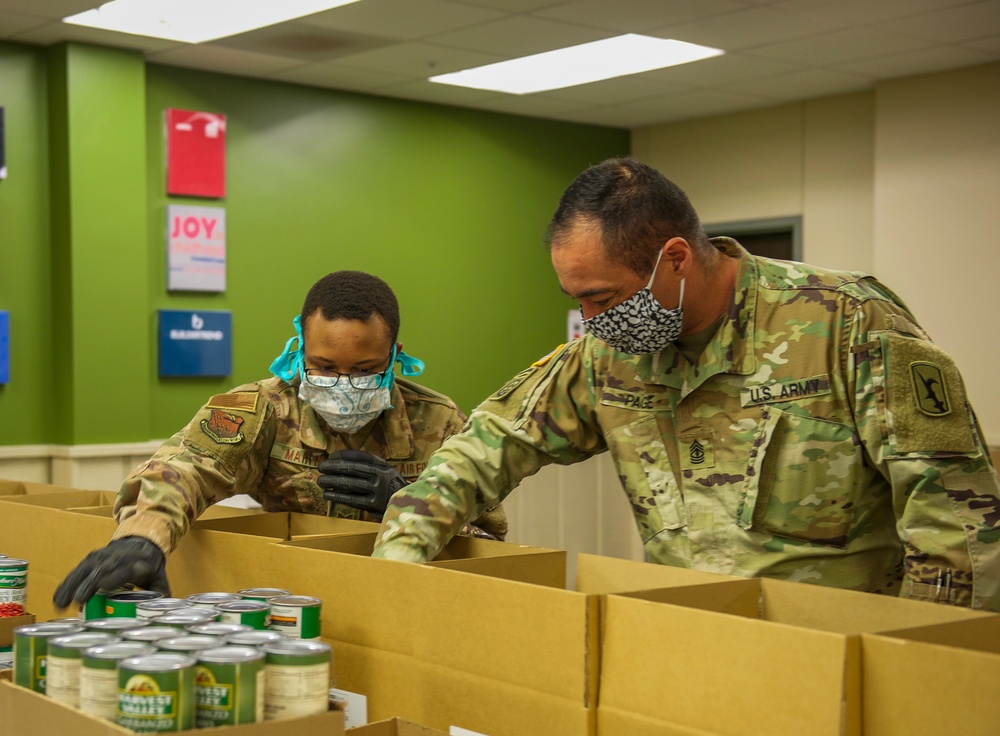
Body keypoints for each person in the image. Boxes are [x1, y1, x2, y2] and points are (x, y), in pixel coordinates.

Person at [372, 157, 1000, 611]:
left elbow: (957, 527)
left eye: (602, 298)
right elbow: (484, 449)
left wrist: (922, 663)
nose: (591, 322)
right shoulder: (604, 356)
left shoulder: (845, 323)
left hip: (841, 654)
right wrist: (398, 563)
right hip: (690, 645)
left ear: (673, 260)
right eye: (577, 302)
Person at [53, 270, 506, 608]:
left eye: (365, 370)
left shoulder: (438, 420)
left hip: (403, 602)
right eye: (325, 367)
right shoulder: (265, 409)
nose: (343, 382)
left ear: (394, 358)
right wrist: (142, 538)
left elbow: (490, 544)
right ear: (300, 350)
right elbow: (187, 468)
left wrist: (408, 501)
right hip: (291, 602)